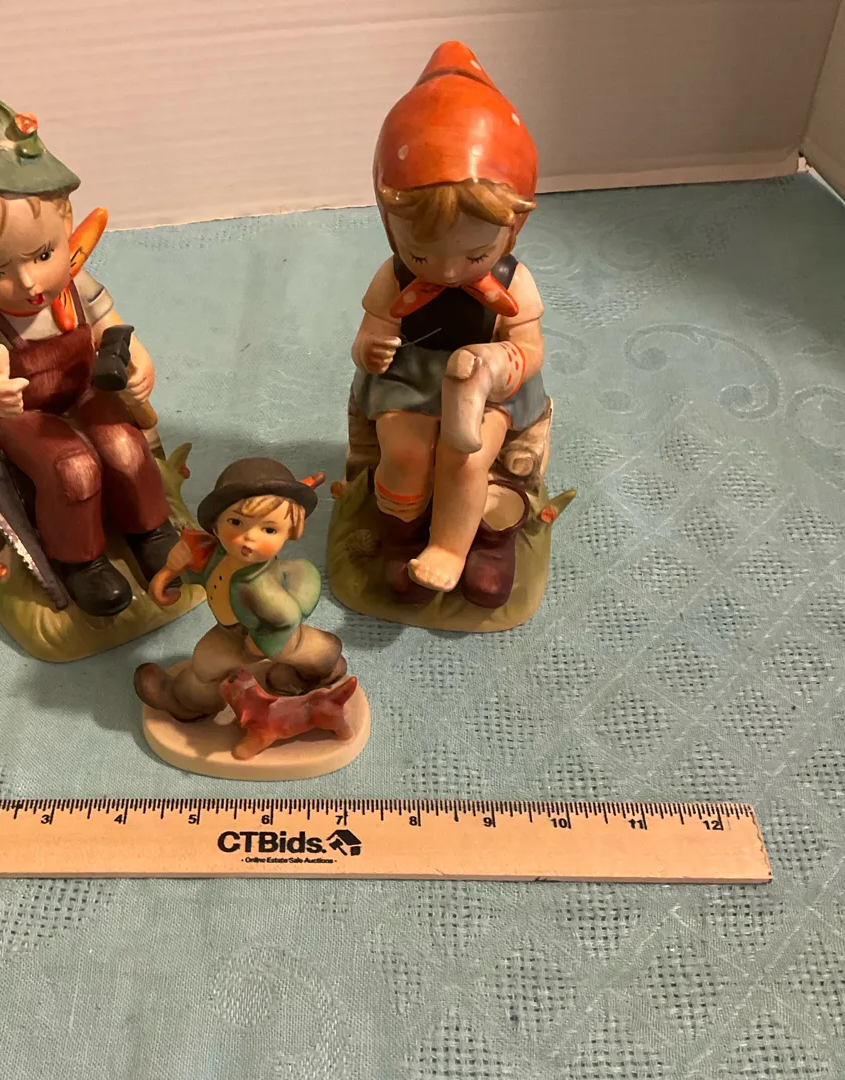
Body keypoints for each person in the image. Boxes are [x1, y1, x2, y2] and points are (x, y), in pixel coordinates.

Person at [0, 84, 177, 616]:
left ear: (66, 220)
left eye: (43, 254)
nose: (28, 283)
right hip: (25, 416)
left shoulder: (76, 284)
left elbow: (111, 326)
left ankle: (150, 529)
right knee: (73, 467)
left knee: (124, 447)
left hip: (86, 392)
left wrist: (138, 360)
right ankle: (81, 560)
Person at [350, 41, 549, 608]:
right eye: (422, 255)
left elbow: (530, 347)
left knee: (468, 454)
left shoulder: (513, 281)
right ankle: (402, 535)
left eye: (475, 254)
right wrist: (371, 348)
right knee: (406, 450)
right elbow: (370, 330)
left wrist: (499, 364)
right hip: (411, 376)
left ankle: (456, 547)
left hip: (488, 386)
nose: (449, 271)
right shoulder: (393, 277)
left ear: (513, 230)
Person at [134, 458, 345, 720]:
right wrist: (178, 565)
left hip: (248, 635)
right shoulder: (219, 554)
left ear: (290, 532)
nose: (249, 538)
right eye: (236, 523)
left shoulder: (259, 585)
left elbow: (287, 618)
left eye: (269, 529)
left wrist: (256, 647)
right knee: (309, 649)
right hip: (235, 627)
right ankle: (321, 666)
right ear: (216, 523)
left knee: (205, 664)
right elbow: (207, 577)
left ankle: (187, 702)